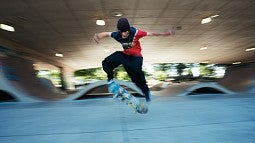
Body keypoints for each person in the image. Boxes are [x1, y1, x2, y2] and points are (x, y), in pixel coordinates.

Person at [93, 18, 175, 103]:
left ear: (128, 30)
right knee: (106, 62)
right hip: (125, 55)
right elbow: (106, 34)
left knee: (136, 75)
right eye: (122, 32)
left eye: (126, 32)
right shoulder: (117, 34)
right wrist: (98, 35)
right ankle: (110, 80)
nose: (124, 34)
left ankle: (146, 91)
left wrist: (166, 33)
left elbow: (151, 33)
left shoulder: (136, 32)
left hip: (136, 57)